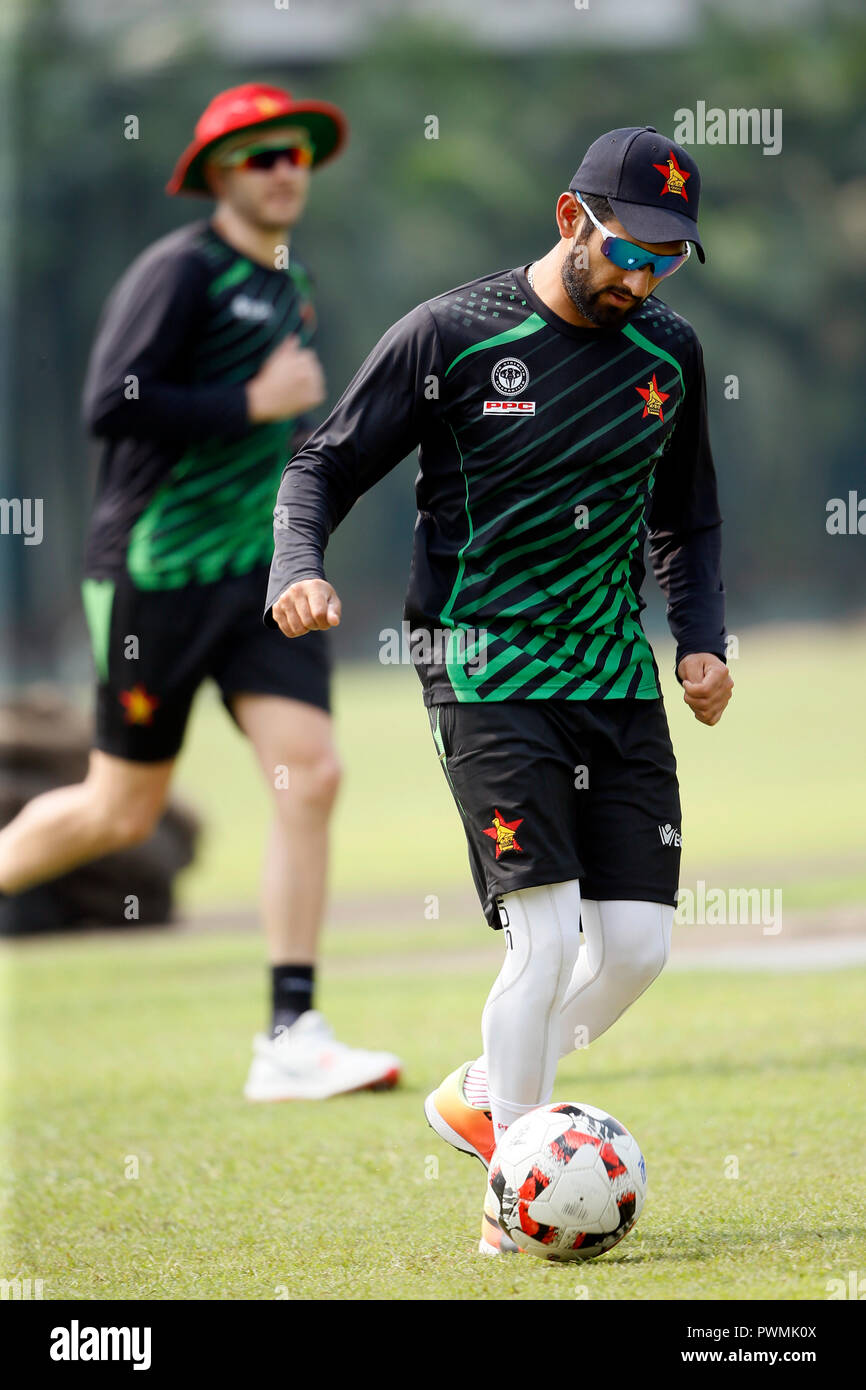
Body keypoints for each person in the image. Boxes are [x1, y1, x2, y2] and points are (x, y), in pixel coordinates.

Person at [264, 126, 733, 1250]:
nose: (641, 278)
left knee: (633, 949)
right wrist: (297, 568)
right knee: (542, 932)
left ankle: (483, 1090)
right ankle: (511, 1193)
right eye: (627, 250)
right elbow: (319, 462)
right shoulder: (451, 335)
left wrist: (699, 640)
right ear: (571, 220)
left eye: (666, 260)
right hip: (485, 666)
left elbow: (687, 516)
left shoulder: (667, 355)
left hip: (613, 675)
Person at [0, 83, 401, 1101]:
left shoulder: (291, 279)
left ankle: (290, 1032)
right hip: (157, 572)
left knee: (308, 774)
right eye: (262, 156)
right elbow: (111, 403)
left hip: (260, 574)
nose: (284, 171)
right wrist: (249, 402)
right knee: (119, 810)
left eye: (296, 156)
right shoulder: (177, 271)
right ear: (220, 173)